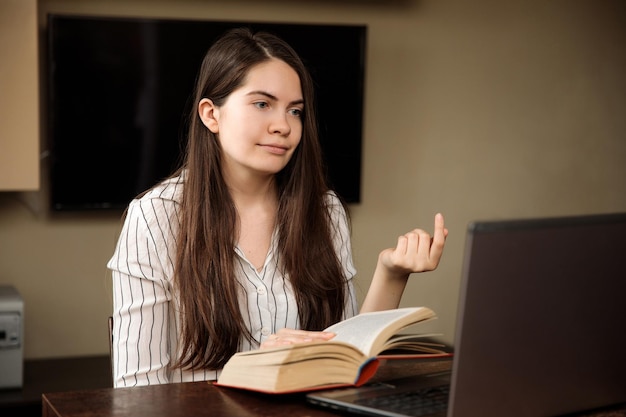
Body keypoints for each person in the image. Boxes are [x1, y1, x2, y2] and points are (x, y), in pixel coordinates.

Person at [107, 27, 448, 388]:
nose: (283, 126)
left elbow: (344, 360)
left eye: (295, 111)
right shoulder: (155, 217)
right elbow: (136, 396)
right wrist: (258, 366)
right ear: (211, 115)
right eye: (262, 104)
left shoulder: (325, 210)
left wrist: (391, 273)